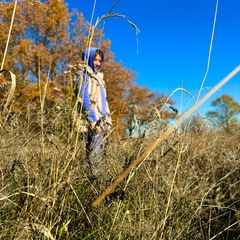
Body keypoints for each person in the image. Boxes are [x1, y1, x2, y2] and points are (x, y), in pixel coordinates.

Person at [74, 47, 112, 176]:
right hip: (91, 121)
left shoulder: (99, 78)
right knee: (93, 155)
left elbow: (103, 101)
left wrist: (106, 120)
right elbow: (83, 98)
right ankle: (93, 181)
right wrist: (92, 120)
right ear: (88, 58)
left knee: (99, 153)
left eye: (100, 60)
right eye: (95, 59)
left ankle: (96, 181)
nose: (97, 63)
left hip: (100, 122)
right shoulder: (83, 75)